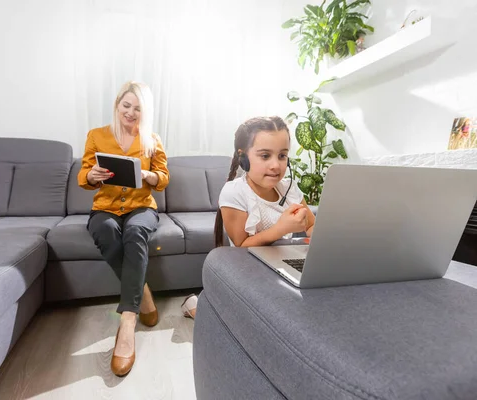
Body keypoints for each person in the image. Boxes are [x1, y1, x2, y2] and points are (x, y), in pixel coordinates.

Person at [180, 116, 316, 319]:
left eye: (282, 156)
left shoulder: (289, 189)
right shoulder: (235, 192)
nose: (276, 165)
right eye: (265, 156)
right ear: (243, 158)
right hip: (249, 268)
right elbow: (242, 245)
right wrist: (281, 228)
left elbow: (312, 226)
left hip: (281, 266)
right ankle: (194, 305)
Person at [78, 81, 169, 377]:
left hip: (141, 207)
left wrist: (148, 175)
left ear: (145, 112)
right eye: (126, 106)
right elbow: (84, 175)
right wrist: (92, 175)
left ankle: (127, 321)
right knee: (105, 231)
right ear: (117, 105)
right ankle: (142, 294)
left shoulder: (151, 139)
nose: (130, 112)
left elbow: (164, 178)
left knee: (135, 233)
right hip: (105, 206)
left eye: (137, 108)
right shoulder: (97, 135)